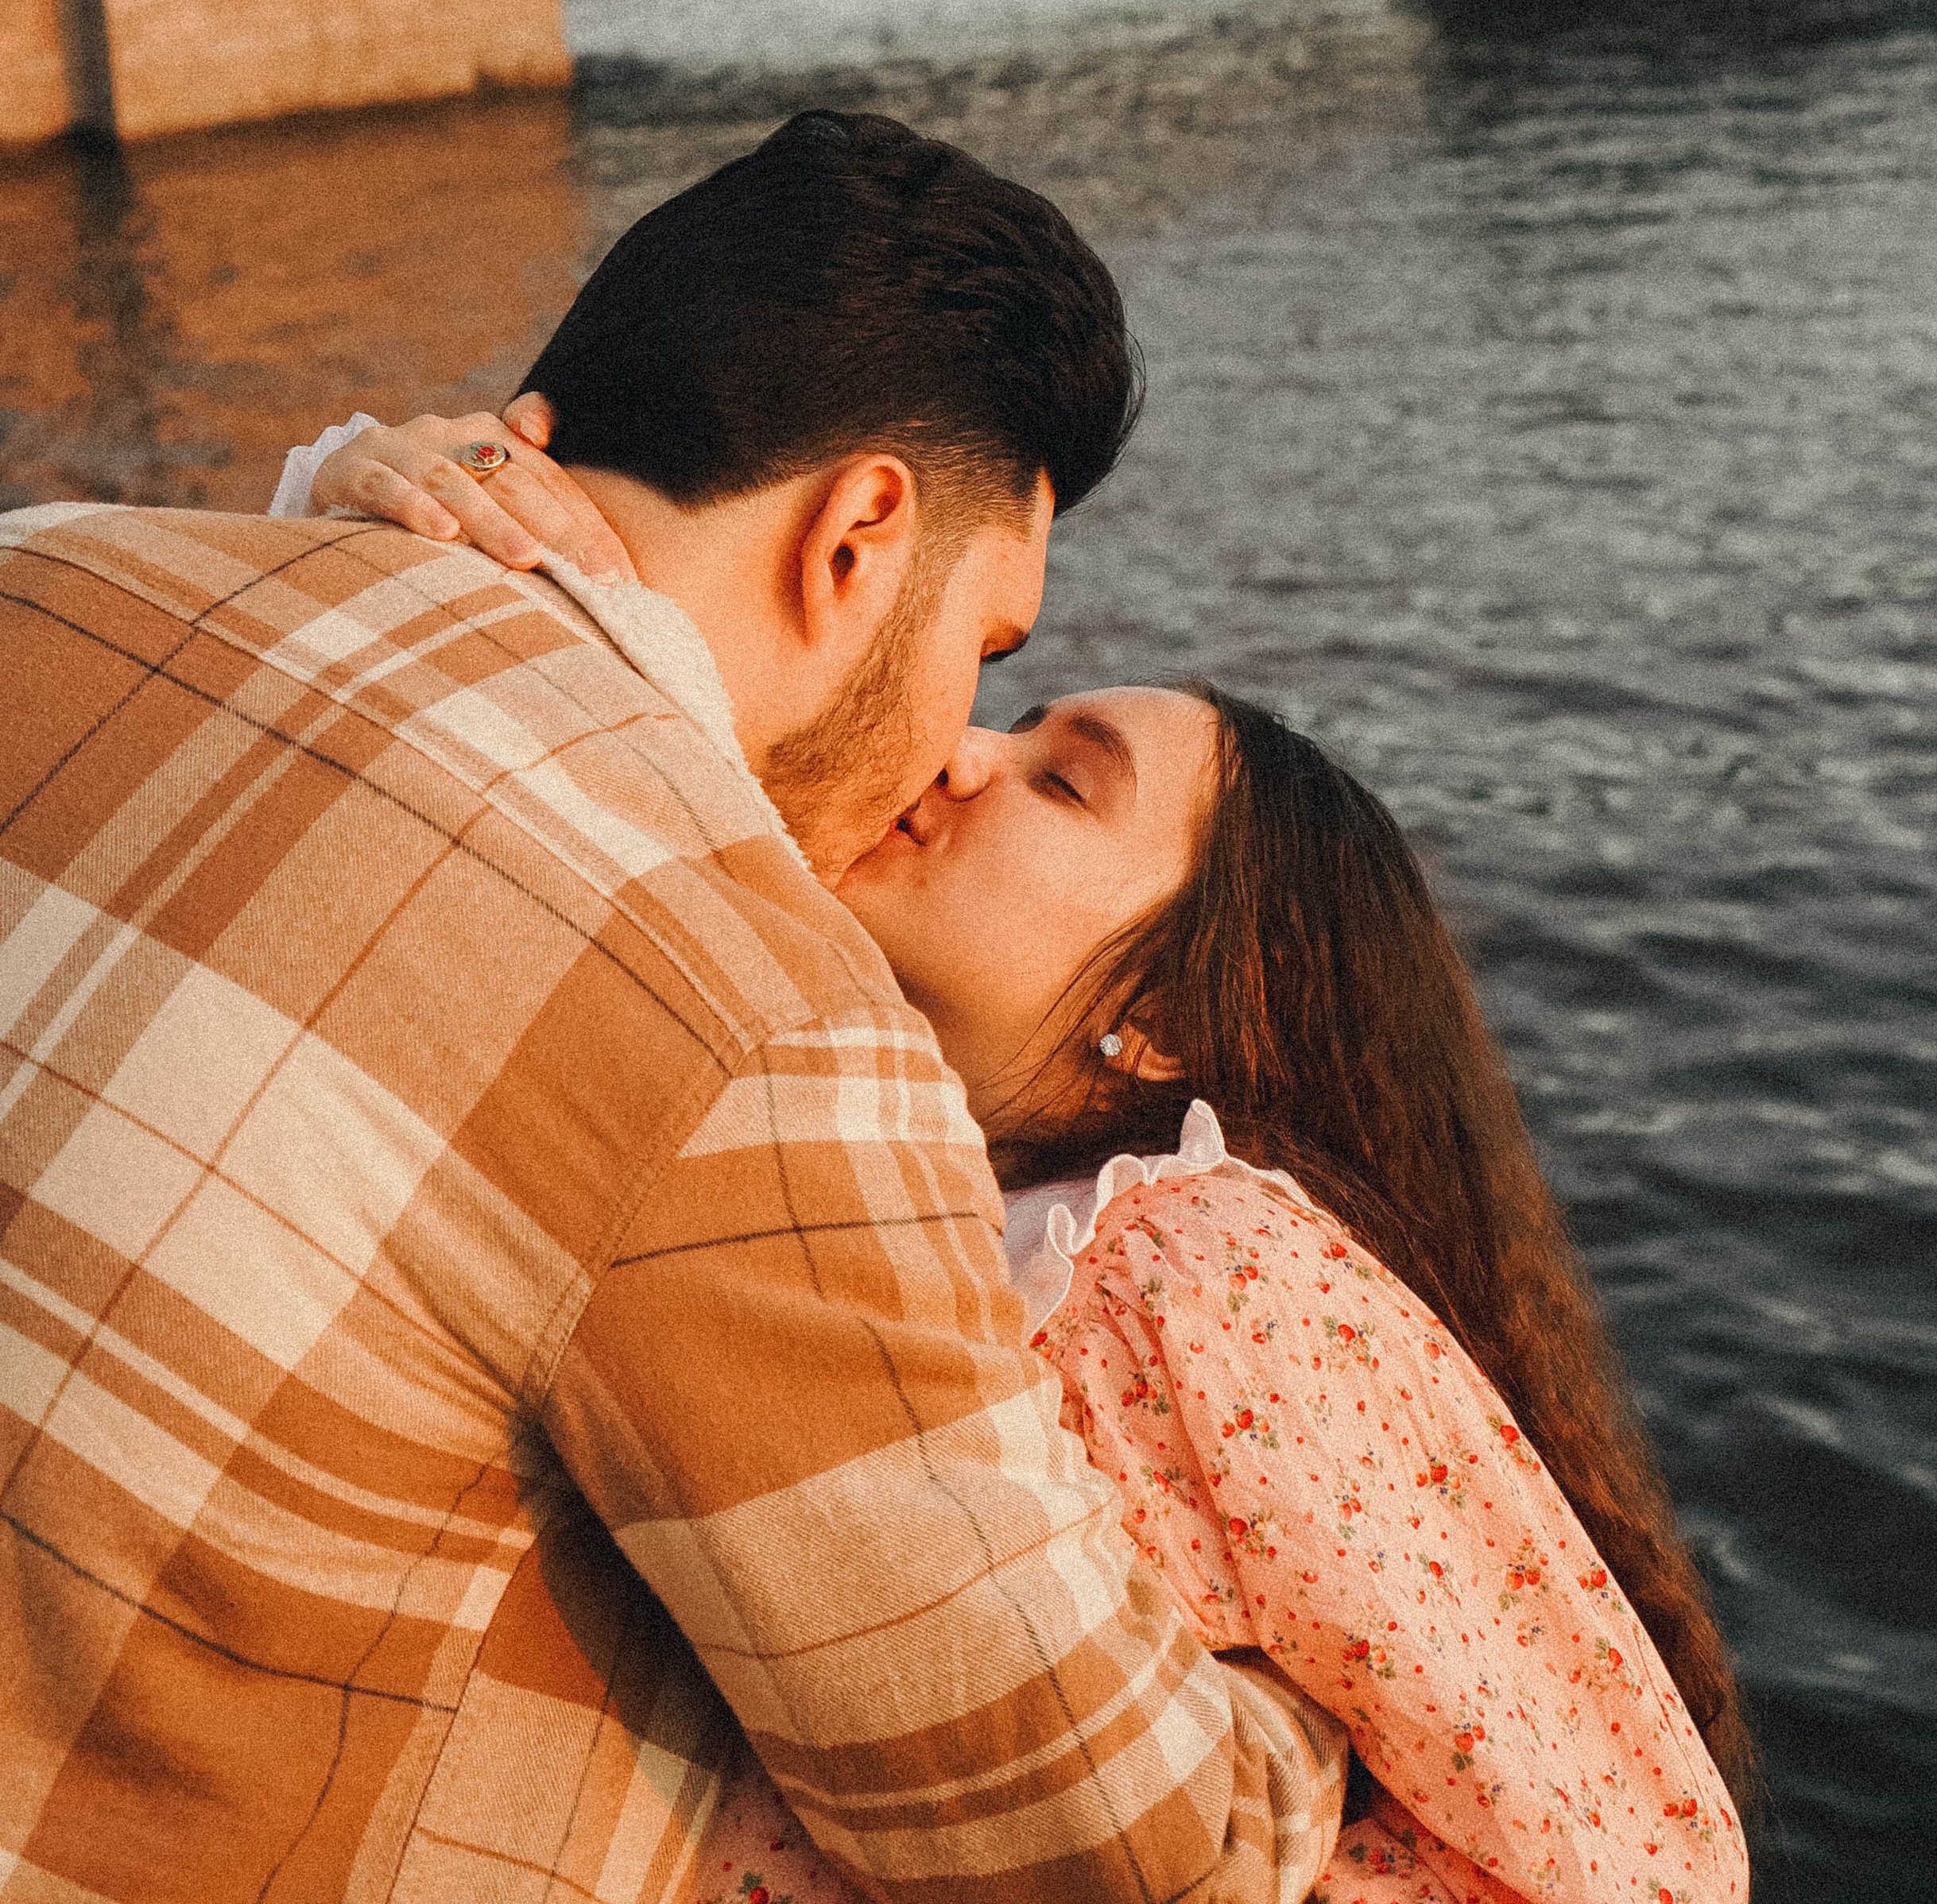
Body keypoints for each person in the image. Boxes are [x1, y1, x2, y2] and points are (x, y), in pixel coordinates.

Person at [0, 112, 1351, 1904]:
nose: (953, 740)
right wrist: (1317, 1718)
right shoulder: (747, 1013)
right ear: (860, 534)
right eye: (988, 647)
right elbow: (1111, 1854)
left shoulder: (46, 564)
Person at [294, 473, 1755, 1902]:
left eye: (1063, 780)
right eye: (1016, 717)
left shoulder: (1204, 1267)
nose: (959, 752)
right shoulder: (866, 1174)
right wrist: (401, 505)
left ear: (1178, 1012)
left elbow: (1629, 1860)